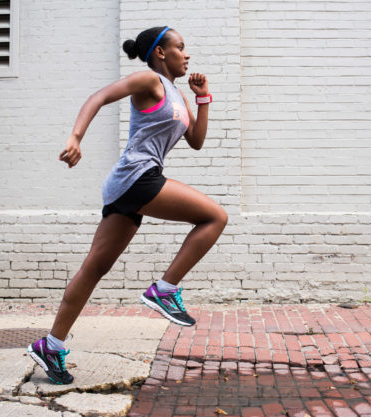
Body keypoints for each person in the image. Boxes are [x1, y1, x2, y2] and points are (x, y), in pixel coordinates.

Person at [27, 26, 227, 385]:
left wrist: (203, 97)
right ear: (161, 53)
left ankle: (50, 345)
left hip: (126, 186)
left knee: (94, 268)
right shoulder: (148, 81)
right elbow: (99, 97)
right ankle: (164, 291)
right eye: (181, 47)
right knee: (215, 216)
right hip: (138, 176)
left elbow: (196, 141)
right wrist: (75, 138)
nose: (188, 54)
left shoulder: (178, 95)